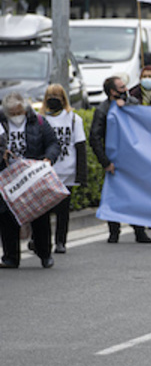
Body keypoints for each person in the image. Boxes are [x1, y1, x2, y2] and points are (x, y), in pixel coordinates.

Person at [0, 92, 60, 269]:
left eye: (19, 112)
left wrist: (48, 159)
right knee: (7, 218)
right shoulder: (1, 124)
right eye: (13, 113)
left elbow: (53, 144)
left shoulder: (39, 122)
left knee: (39, 216)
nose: (17, 116)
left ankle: (45, 253)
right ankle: (11, 257)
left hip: (32, 176)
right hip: (8, 177)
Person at [89, 77, 151, 244]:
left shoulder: (133, 103)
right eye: (122, 87)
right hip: (114, 160)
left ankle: (139, 231)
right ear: (112, 92)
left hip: (133, 159)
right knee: (114, 195)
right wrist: (105, 162)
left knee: (136, 194)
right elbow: (94, 137)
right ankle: (114, 231)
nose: (126, 89)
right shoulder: (102, 110)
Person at [39, 85, 87, 253]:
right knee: (42, 210)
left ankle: (61, 241)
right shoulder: (40, 119)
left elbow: (80, 147)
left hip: (67, 172)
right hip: (46, 172)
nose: (54, 99)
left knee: (63, 211)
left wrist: (82, 175)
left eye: (57, 96)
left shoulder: (74, 119)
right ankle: (40, 241)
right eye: (51, 95)